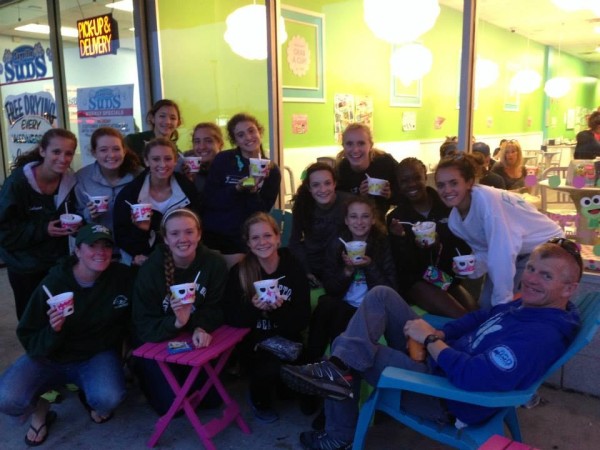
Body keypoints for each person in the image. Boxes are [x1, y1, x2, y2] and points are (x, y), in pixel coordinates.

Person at [280, 240, 583, 449]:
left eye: (546, 276)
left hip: (447, 397)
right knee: (381, 296)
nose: (531, 279)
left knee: (352, 349)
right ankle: (337, 371)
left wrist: (430, 340)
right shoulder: (528, 307)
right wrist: (437, 334)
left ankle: (339, 432)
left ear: (569, 288)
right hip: (439, 363)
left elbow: (474, 378)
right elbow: (478, 318)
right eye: (530, 269)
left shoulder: (540, 337)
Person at [0, 224, 134, 446]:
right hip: (50, 356)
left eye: (106, 246)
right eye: (92, 245)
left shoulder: (122, 278)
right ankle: (41, 407)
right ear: (78, 250)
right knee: (6, 398)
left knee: (107, 398)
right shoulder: (54, 283)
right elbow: (28, 335)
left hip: (95, 356)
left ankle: (87, 392)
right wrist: (53, 331)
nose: (101, 252)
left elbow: (150, 283)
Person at [132, 208, 228, 415]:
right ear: (165, 238)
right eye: (174, 234)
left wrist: (200, 326)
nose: (182, 239)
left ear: (199, 234)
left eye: (189, 232)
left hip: (191, 337)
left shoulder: (213, 263)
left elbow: (217, 307)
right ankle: (141, 372)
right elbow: (142, 324)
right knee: (171, 407)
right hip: (156, 338)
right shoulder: (151, 270)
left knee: (211, 400)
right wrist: (175, 323)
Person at [435, 154, 563, 309]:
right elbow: (485, 252)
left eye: (454, 183)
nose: (447, 190)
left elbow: (502, 253)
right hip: (515, 252)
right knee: (486, 306)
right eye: (441, 185)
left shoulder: (487, 202)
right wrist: (472, 267)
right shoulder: (455, 222)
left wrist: (501, 304)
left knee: (515, 307)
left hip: (548, 248)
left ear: (469, 182)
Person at [223, 212, 310, 423]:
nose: (262, 242)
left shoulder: (293, 268)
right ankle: (259, 400)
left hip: (288, 339)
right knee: (268, 369)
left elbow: (301, 319)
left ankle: (284, 386)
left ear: (278, 238)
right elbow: (231, 318)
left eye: (267, 236)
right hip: (255, 343)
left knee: (296, 391)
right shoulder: (240, 272)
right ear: (248, 243)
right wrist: (254, 308)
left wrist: (277, 310)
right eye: (255, 238)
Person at [306, 196, 397, 362]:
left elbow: (389, 290)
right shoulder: (337, 244)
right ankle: (310, 361)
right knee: (326, 305)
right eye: (354, 216)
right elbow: (330, 288)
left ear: (373, 219)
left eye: (365, 216)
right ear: (346, 220)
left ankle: (335, 366)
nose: (359, 222)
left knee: (340, 315)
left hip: (370, 307)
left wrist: (369, 265)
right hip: (344, 304)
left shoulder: (382, 244)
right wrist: (347, 271)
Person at [0, 128, 79, 320]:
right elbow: (5, 232)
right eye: (56, 152)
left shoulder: (70, 181)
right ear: (42, 151)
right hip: (25, 266)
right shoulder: (17, 184)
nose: (63, 158)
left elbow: (74, 215)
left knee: (62, 318)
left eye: (68, 153)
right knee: (32, 319)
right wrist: (44, 229)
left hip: (58, 264)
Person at [387, 158, 476, 318]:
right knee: (462, 317)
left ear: (425, 176)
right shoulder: (397, 218)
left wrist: (438, 244)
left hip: (444, 277)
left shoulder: (447, 206)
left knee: (476, 312)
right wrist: (400, 238)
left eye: (416, 178)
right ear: (398, 184)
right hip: (416, 282)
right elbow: (402, 267)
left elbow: (462, 246)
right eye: (405, 181)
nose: (412, 184)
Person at [202, 113, 281, 269]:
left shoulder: (271, 170)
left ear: (259, 132)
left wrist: (252, 191)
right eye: (240, 135)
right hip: (212, 234)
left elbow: (261, 212)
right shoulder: (223, 159)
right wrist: (237, 189)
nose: (248, 137)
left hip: (242, 239)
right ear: (235, 140)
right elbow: (209, 199)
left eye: (251, 131)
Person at [113, 138, 201, 266]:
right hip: (144, 262)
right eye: (156, 159)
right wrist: (140, 230)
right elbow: (121, 236)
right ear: (146, 161)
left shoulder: (187, 189)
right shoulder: (130, 194)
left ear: (175, 160)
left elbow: (198, 228)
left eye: (168, 159)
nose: (163, 164)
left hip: (182, 259)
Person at [75, 127, 144, 258]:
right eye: (103, 150)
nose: (111, 155)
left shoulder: (139, 175)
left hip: (133, 251)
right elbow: (76, 218)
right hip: (97, 251)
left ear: (124, 151)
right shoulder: (82, 178)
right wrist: (88, 214)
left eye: (116, 149)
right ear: (94, 153)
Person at [289, 162, 353, 287]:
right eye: (316, 185)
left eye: (327, 183)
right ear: (309, 188)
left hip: (340, 266)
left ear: (335, 184)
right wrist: (306, 271)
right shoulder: (303, 205)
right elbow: (294, 241)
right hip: (313, 267)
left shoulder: (348, 202)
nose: (323, 189)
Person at [335, 123, 399, 221]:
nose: (355, 150)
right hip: (354, 228)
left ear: (370, 145)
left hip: (380, 224)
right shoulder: (341, 170)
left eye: (361, 143)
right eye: (349, 144)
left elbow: (405, 193)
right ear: (343, 146)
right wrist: (360, 198)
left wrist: (390, 195)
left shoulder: (385, 163)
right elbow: (340, 208)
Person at [182, 122, 225, 195]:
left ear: (219, 143)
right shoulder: (184, 165)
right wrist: (187, 182)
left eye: (208, 141)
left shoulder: (230, 166)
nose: (202, 147)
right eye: (197, 141)